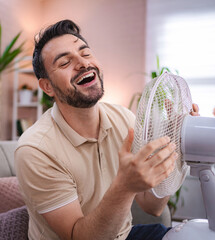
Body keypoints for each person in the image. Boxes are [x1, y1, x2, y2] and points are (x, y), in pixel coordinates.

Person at [15, 19, 199, 240]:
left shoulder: (124, 119)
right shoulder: (35, 149)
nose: (82, 63)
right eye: (65, 63)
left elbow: (153, 206)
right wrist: (124, 186)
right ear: (47, 87)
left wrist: (178, 143)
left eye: (85, 53)